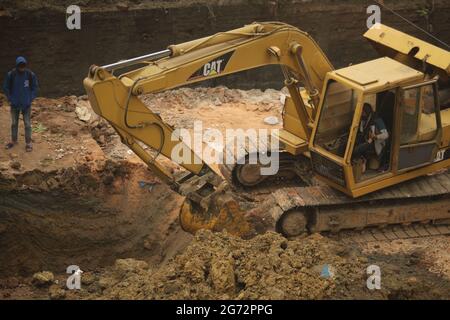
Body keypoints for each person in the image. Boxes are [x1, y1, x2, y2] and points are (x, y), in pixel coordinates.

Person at [2, 56, 39, 152]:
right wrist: (10, 99)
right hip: (15, 104)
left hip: (26, 105)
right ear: (17, 65)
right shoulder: (11, 75)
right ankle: (14, 141)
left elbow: (35, 87)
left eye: (23, 65)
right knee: (14, 123)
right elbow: (6, 87)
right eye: (20, 65)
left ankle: (28, 143)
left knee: (27, 124)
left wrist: (30, 98)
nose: (22, 67)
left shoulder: (30, 75)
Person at [353, 103, 389, 171]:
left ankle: (362, 161)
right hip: (366, 140)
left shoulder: (377, 120)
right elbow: (361, 132)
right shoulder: (363, 119)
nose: (360, 113)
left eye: (362, 112)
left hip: (374, 143)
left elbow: (386, 135)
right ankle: (362, 161)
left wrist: (376, 136)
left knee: (357, 150)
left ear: (366, 111)